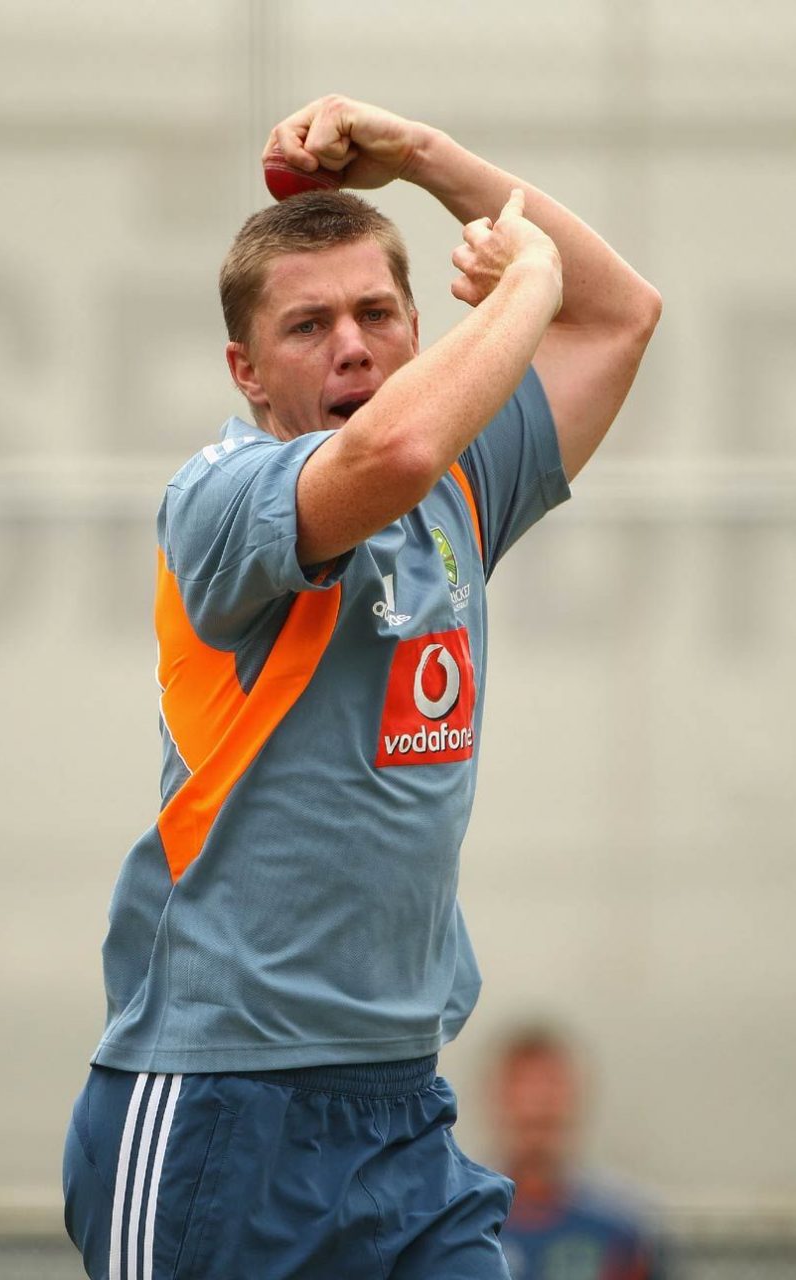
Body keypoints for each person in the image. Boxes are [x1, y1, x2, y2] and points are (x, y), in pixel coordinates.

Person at [62, 95, 661, 1279]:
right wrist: (525, 278)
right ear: (247, 371)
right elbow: (394, 448)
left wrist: (426, 159)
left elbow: (622, 314)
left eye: (378, 312)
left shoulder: (459, 493)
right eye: (308, 324)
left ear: (412, 327)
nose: (352, 342)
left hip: (402, 1112)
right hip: (215, 1109)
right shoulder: (224, 497)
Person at [485, 1026, 667, 1280]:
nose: (538, 1102)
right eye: (523, 1084)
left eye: (551, 1084)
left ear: (575, 1098)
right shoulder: (464, 1223)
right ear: (498, 1099)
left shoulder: (622, 1229)